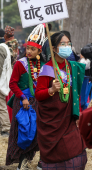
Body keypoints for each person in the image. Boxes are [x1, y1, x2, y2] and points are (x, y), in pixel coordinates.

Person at [35, 31, 87, 169]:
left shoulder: (72, 67)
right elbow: (38, 95)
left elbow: (76, 93)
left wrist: (78, 112)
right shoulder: (47, 70)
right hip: (53, 121)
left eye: (68, 43)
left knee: (77, 150)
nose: (66, 46)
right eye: (62, 44)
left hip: (69, 117)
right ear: (53, 49)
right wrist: (50, 90)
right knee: (59, 154)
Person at [6, 24, 46, 170]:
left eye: (32, 49)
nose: (28, 51)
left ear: (39, 50)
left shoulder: (45, 65)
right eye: (28, 48)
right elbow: (12, 84)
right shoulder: (20, 64)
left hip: (39, 103)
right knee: (24, 132)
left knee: (39, 132)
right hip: (23, 102)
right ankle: (22, 163)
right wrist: (23, 97)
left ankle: (41, 161)